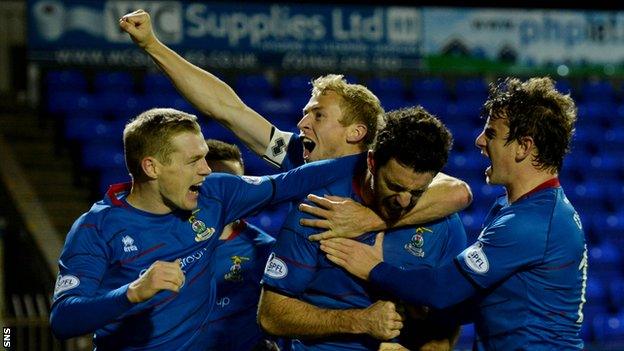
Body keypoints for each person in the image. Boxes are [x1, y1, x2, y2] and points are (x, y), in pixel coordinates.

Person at [119, 9, 473, 232]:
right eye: (305, 112)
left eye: (318, 115)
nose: (303, 123)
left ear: (357, 132)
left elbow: (457, 191)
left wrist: (371, 219)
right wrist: (152, 44)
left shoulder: (388, 166)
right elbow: (228, 109)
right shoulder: (295, 155)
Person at [49, 108, 371, 350]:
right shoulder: (96, 229)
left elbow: (291, 182)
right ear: (152, 167)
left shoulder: (214, 195)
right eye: (193, 161)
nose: (206, 170)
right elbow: (63, 320)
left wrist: (373, 158)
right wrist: (133, 292)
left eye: (204, 158)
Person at [319, 77, 587, 350]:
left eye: (492, 134)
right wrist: (424, 307)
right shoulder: (518, 207)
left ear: (523, 147)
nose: (480, 140)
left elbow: (443, 288)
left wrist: (373, 268)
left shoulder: (531, 223)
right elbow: (486, 299)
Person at [259, 106, 467, 350]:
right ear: (371, 161)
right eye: (394, 186)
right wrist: (360, 321)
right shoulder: (321, 211)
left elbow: (446, 327)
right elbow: (271, 315)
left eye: (417, 192)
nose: (403, 201)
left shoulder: (444, 225)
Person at [202, 139, 279, 350]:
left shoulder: (265, 250)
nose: (226, 193)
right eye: (216, 183)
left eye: (234, 184)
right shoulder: (165, 240)